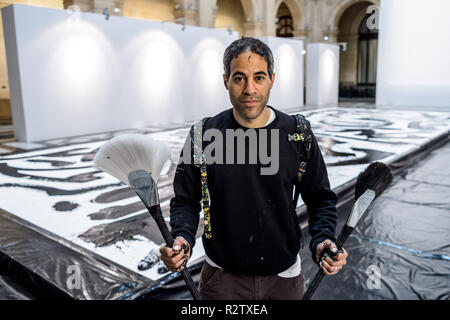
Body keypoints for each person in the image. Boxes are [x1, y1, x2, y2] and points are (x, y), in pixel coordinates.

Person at [160, 37, 348, 300]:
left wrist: (323, 238)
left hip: (284, 278)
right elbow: (185, 199)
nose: (249, 89)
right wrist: (182, 237)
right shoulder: (204, 134)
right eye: (239, 78)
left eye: (259, 77)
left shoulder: (297, 133)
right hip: (221, 279)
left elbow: (320, 198)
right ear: (225, 80)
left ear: (272, 78)